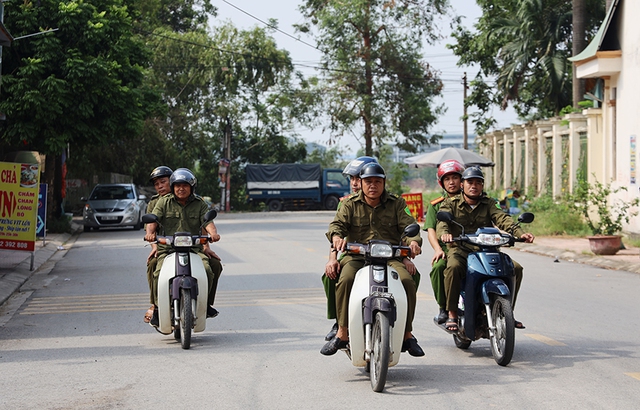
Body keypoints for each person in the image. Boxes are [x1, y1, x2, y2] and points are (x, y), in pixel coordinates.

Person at [321, 163, 425, 357]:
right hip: (357, 256)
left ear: (384, 183)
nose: (373, 186)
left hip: (390, 257)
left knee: (407, 281)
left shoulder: (397, 203)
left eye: (378, 181)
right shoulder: (349, 203)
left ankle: (407, 334)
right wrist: (336, 237)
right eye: (368, 181)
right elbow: (337, 225)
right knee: (345, 280)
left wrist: (413, 243)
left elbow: (410, 227)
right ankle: (342, 333)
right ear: (360, 183)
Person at [436, 167, 534, 332]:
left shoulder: (489, 203)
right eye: (470, 182)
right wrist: (445, 234)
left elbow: (502, 219)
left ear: (482, 186)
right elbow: (442, 223)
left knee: (515, 268)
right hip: (461, 250)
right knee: (452, 268)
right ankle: (452, 312)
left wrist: (520, 233)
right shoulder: (450, 203)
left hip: (486, 250)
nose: (474, 186)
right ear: (462, 184)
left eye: (478, 182)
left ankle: (507, 312)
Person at [144, 168, 223, 327]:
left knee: (209, 269)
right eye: (178, 186)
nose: (181, 189)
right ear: (173, 186)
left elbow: (207, 223)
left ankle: (204, 304)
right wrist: (151, 235)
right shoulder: (162, 201)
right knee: (157, 272)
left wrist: (213, 235)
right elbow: (153, 220)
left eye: (185, 186)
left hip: (193, 248)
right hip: (167, 249)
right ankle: (158, 307)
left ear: (192, 187)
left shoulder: (199, 203)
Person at [322, 156, 378, 341]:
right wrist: (332, 259)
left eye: (358, 178)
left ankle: (405, 328)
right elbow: (336, 230)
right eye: (352, 179)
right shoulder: (345, 202)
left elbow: (405, 229)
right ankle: (339, 322)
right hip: (354, 253)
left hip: (384, 254)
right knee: (332, 275)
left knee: (410, 276)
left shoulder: (389, 200)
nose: (354, 183)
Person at [422, 159, 464, 325]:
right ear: (442, 183)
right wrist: (438, 249)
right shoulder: (436, 205)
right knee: (439, 267)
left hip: (473, 246)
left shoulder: (473, 200)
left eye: (455, 177)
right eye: (447, 179)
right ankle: (444, 307)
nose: (452, 182)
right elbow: (431, 229)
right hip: (449, 249)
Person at [143, 166, 173, 323]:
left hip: (189, 245)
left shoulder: (184, 197)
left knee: (211, 265)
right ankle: (155, 305)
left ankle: (204, 303)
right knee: (153, 264)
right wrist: (154, 247)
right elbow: (150, 228)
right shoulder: (154, 203)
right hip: (163, 247)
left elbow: (202, 224)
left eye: (163, 182)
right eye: (157, 184)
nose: (160, 186)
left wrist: (206, 247)